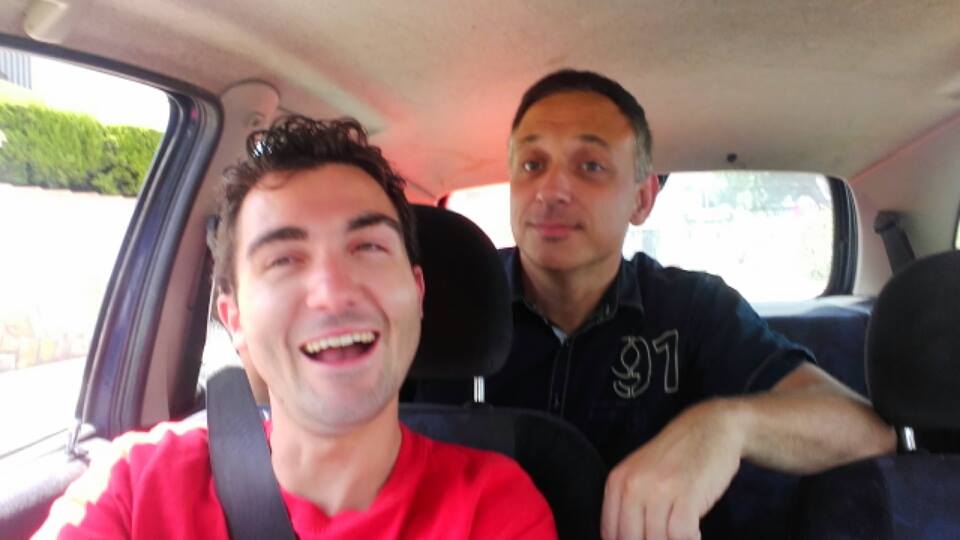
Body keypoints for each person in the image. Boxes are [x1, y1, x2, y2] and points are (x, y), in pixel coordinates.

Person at [34, 116, 556, 539]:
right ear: (235, 321)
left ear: (417, 292)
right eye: (283, 259)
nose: (333, 292)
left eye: (368, 247)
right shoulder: (133, 486)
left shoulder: (494, 509)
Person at [465, 69, 894, 539]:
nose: (550, 191)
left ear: (642, 199)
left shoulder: (691, 310)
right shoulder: (448, 306)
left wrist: (728, 427)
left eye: (590, 166)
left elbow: (865, 430)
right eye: (532, 164)